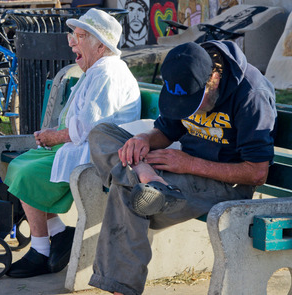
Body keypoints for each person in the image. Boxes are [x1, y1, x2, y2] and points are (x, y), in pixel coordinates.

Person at [87, 41, 277, 295]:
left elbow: (257, 173)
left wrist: (188, 163)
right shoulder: (186, 74)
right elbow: (165, 131)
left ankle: (121, 290)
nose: (188, 111)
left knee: (126, 193)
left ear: (215, 80)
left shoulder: (252, 95)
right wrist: (143, 141)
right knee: (101, 133)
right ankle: (147, 177)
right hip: (177, 171)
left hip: (225, 184)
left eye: (193, 103)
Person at [3, 8, 141, 278]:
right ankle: (58, 233)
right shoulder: (97, 69)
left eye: (80, 36)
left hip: (97, 157)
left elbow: (92, 128)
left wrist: (56, 136)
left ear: (100, 45)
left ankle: (41, 251)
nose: (72, 42)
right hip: (79, 147)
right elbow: (79, 119)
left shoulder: (107, 73)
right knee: (19, 164)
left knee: (26, 173)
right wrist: (54, 132)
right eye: (73, 35)